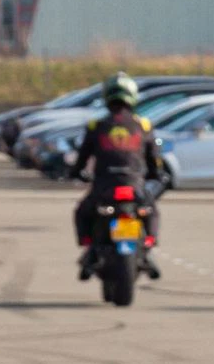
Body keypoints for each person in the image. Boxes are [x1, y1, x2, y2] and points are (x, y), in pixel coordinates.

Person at [69, 78, 170, 278]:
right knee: (151, 211)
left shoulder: (97, 125)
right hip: (134, 186)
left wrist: (76, 171)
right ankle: (148, 245)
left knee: (82, 212)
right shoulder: (143, 125)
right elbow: (154, 158)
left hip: (104, 187)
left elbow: (82, 157)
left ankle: (90, 249)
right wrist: (156, 174)